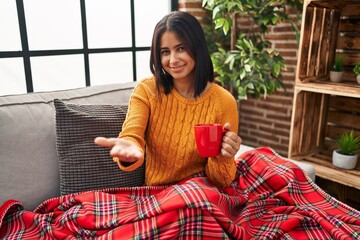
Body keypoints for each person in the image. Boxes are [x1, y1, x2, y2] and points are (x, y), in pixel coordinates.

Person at [95, 11, 242, 188]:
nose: (173, 60)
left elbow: (221, 180)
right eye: (165, 52)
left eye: (181, 48)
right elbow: (131, 134)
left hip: (200, 192)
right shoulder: (147, 90)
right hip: (158, 194)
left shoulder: (224, 101)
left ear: (197, 47)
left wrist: (225, 156)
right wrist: (131, 150)